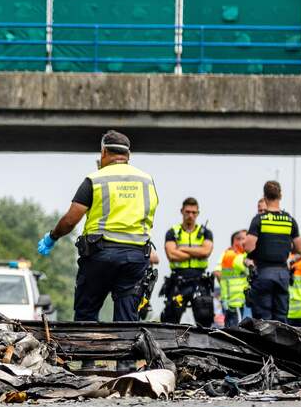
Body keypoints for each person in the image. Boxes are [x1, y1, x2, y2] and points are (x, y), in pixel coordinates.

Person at [37, 130, 158, 322]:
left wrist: (52, 237)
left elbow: (70, 220)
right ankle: (126, 351)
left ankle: (87, 351)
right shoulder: (146, 180)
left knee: (86, 314)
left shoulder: (96, 179)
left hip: (100, 255)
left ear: (103, 152)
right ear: (128, 155)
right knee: (127, 320)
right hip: (135, 258)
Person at [243, 180, 301, 323]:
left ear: (264, 197)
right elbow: (300, 248)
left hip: (263, 273)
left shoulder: (260, 220)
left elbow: (248, 247)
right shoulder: (289, 220)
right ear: (280, 195)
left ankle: (264, 346)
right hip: (282, 274)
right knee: (281, 318)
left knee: (263, 320)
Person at [160, 198, 215, 325]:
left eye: (194, 212)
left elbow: (206, 252)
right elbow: (172, 254)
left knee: (205, 320)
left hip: (200, 280)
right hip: (178, 280)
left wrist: (183, 248)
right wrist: (197, 252)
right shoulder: (173, 232)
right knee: (170, 319)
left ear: (198, 213)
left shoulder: (205, 232)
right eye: (188, 212)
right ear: (182, 211)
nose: (190, 215)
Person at [218, 230, 251, 328]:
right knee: (237, 331)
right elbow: (251, 270)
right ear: (235, 241)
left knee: (231, 329)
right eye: (242, 239)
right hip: (235, 301)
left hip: (232, 301)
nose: (245, 242)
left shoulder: (229, 254)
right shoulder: (234, 256)